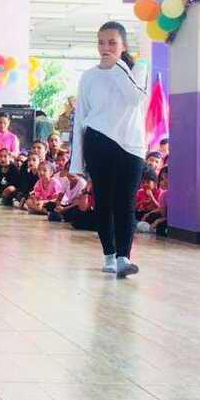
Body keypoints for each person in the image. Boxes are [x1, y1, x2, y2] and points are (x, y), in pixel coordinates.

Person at [69, 21, 148, 279]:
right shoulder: (89, 76)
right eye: (101, 42)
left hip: (131, 146)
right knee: (103, 201)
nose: (106, 48)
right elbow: (81, 118)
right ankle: (110, 255)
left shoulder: (137, 69)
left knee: (125, 202)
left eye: (112, 42)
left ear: (123, 45)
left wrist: (117, 67)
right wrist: (77, 162)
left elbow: (135, 98)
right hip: (98, 141)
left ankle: (125, 257)